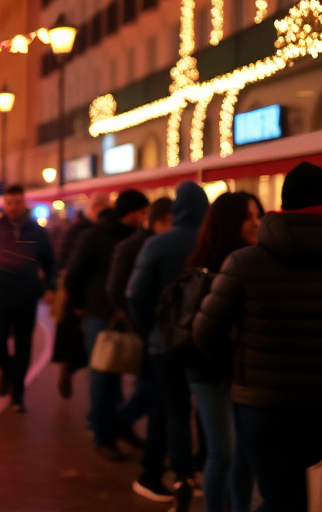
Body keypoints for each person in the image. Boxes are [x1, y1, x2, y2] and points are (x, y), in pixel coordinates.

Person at [194, 162, 322, 512]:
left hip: (263, 405)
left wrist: (233, 370)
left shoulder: (243, 262)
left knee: (279, 497)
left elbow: (206, 329)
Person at [127, 181, 209, 512]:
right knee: (206, 408)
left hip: (165, 343)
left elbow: (135, 294)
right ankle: (205, 468)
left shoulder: (158, 244)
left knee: (174, 409)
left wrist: (149, 330)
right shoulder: (213, 242)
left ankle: (182, 477)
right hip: (205, 340)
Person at [181, 192, 262, 512]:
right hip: (208, 370)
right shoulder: (204, 266)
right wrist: (225, 368)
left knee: (243, 451)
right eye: (248, 217)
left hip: (240, 370)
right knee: (223, 451)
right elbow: (203, 331)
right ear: (230, 222)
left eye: (258, 215)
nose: (257, 223)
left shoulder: (254, 260)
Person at [64, 189, 150, 459]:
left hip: (129, 314)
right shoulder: (93, 236)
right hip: (99, 315)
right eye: (144, 213)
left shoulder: (137, 238)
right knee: (103, 376)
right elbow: (73, 275)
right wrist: (80, 306)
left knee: (129, 375)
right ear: (134, 213)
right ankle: (103, 435)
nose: (146, 218)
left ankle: (119, 425)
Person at [106, 197, 176, 501]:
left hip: (154, 334)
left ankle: (117, 425)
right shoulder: (140, 245)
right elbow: (119, 289)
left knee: (150, 389)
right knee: (151, 391)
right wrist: (137, 325)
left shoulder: (154, 244)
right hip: (146, 332)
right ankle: (113, 425)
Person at [0, 185, 58, 411]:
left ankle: (18, 394)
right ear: (5, 204)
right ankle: (8, 370)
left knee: (24, 346)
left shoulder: (37, 232)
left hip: (26, 297)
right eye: (10, 203)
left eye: (18, 202)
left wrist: (49, 287)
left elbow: (50, 264)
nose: (13, 207)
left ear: (24, 203)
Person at [52, 192, 111, 398]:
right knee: (83, 348)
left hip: (98, 299)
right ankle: (69, 370)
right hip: (77, 299)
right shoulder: (78, 231)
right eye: (99, 208)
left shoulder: (107, 231)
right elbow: (65, 265)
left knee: (98, 353)